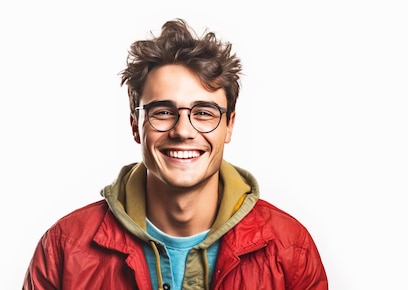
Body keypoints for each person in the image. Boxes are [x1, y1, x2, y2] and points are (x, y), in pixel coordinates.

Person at [23, 18, 328, 290]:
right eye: (164, 111)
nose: (183, 130)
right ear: (135, 124)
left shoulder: (291, 250)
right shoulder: (64, 248)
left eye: (204, 112)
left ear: (230, 125)